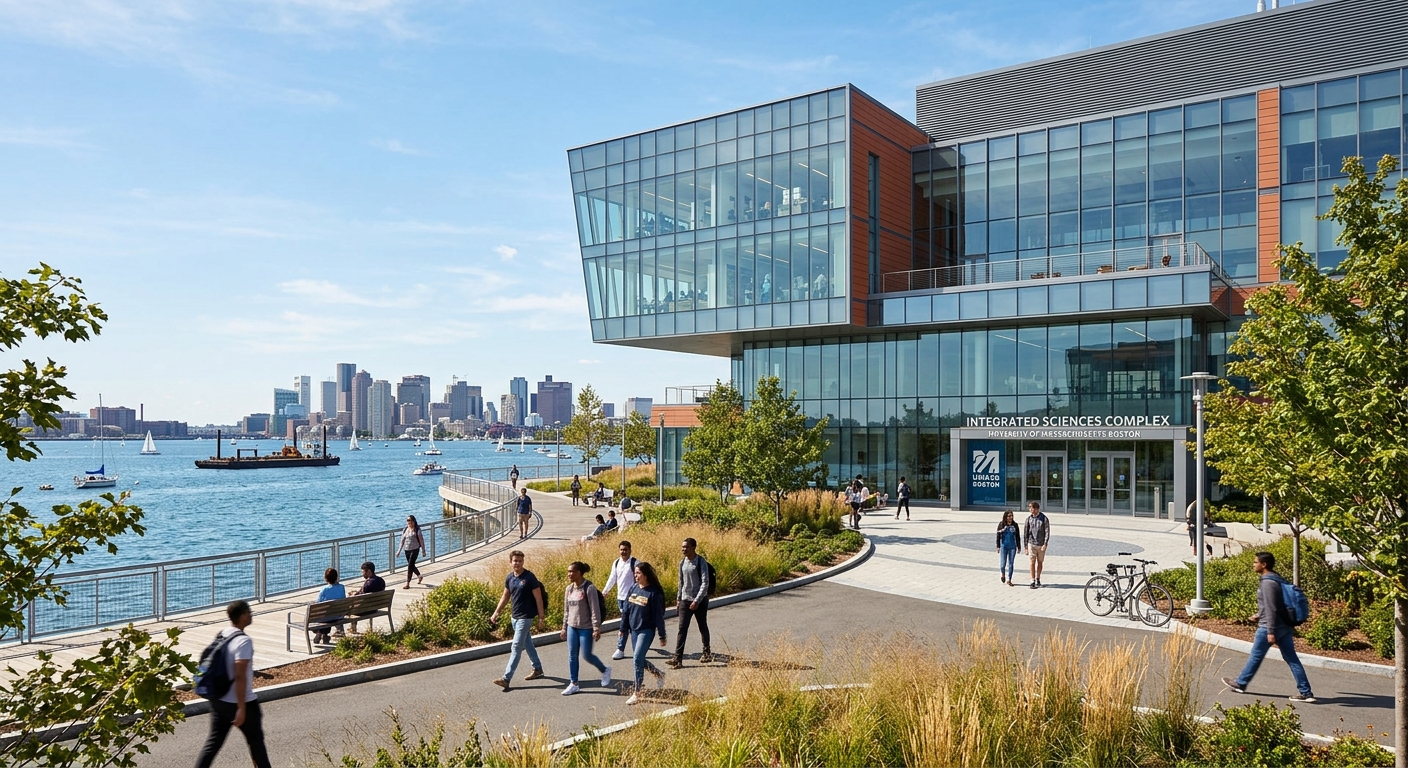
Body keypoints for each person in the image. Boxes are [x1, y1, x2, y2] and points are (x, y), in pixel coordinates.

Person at [1222, 552, 1316, 702]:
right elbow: (1274, 605)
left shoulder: (1267, 582)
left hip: (1270, 627)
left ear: (1264, 565)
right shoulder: (1276, 579)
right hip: (1283, 626)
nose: (1253, 564)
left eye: (1255, 562)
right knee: (1292, 659)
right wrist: (1258, 614)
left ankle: (1240, 683)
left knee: (1256, 655)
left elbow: (1272, 608)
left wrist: (1270, 631)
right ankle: (1306, 693)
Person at [194, 600, 271, 768]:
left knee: (213, 744)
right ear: (242, 616)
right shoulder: (243, 641)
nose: (251, 615)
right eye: (249, 612)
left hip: (219, 700)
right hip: (241, 703)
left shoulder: (223, 633)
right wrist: (242, 708)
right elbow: (240, 675)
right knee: (256, 742)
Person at [490, 550, 546, 690]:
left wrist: (541, 617)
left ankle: (506, 678)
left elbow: (538, 599)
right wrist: (496, 613)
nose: (517, 563)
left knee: (516, 646)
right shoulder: (510, 578)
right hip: (514, 617)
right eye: (515, 561)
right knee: (528, 644)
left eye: (520, 561)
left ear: (523, 562)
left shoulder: (529, 577)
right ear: (510, 562)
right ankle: (537, 668)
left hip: (526, 617)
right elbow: (505, 597)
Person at [559, 561, 610, 695]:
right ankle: (574, 683)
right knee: (572, 656)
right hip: (572, 626)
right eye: (568, 571)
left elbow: (595, 609)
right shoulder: (569, 589)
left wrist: (596, 627)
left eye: (571, 571)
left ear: (579, 573)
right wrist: (564, 627)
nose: (569, 574)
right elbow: (566, 610)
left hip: (586, 627)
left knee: (587, 655)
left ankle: (605, 670)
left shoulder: (589, 588)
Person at [621, 561, 668, 705]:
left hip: (646, 630)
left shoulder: (653, 593)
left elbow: (658, 616)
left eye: (638, 573)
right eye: (634, 573)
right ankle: (659, 674)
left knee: (636, 659)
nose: (635, 576)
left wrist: (662, 634)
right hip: (634, 630)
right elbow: (626, 610)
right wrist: (623, 628)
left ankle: (637, 692)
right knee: (639, 659)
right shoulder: (633, 587)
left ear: (646, 575)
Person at [667, 537, 713, 667]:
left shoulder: (700, 562)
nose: (683, 549)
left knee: (702, 626)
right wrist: (678, 600)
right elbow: (680, 583)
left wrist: (697, 600)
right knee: (682, 629)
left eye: (686, 547)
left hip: (700, 600)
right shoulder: (682, 563)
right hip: (685, 600)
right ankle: (678, 658)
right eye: (682, 547)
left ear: (693, 547)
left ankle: (706, 652)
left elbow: (705, 583)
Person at [603, 540, 638, 661]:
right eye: (621, 550)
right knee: (629, 623)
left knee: (625, 623)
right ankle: (637, 644)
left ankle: (621, 649)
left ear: (630, 550)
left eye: (625, 550)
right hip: (621, 598)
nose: (623, 552)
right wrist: (605, 591)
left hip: (633, 599)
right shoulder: (617, 563)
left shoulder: (635, 563)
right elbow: (612, 578)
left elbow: (640, 580)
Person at [349, 561, 385, 633]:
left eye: (363, 572)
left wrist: (353, 595)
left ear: (368, 571)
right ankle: (352, 629)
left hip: (365, 609)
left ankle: (353, 629)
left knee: (350, 606)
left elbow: (360, 597)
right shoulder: (381, 581)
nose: (362, 574)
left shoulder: (368, 583)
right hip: (375, 608)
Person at [312, 568, 345, 644]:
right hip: (338, 616)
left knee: (324, 616)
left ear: (326, 578)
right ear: (337, 577)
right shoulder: (341, 587)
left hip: (327, 617)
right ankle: (324, 635)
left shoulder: (324, 589)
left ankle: (321, 633)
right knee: (330, 613)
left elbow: (319, 604)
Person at [1023, 501, 1050, 589]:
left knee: (1040, 562)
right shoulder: (1028, 519)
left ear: (1037, 509)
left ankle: (1038, 578)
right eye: (1030, 507)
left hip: (1041, 544)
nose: (1030, 509)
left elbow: (1047, 532)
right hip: (1032, 543)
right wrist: (1026, 546)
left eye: (1032, 508)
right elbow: (1025, 533)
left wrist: (1045, 544)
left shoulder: (1044, 519)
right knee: (1032, 561)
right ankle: (1032, 580)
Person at [396, 515, 424, 589]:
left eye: (410, 520)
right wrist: (399, 551)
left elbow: (421, 540)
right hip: (407, 549)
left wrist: (423, 550)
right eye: (407, 520)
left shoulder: (417, 530)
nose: (409, 522)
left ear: (414, 521)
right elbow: (402, 540)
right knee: (411, 565)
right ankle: (419, 576)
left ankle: (408, 583)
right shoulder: (405, 529)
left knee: (410, 566)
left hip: (415, 549)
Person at [995, 511, 1022, 586]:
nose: (1011, 518)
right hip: (1004, 546)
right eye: (1009, 516)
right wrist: (998, 546)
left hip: (1012, 547)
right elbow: (998, 535)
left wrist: (1019, 546)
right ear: (1005, 517)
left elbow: (1017, 536)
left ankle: (1009, 579)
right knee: (1002, 564)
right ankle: (1003, 574)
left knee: (1011, 563)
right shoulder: (1002, 524)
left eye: (1012, 516)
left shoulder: (1015, 525)